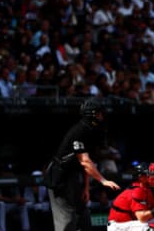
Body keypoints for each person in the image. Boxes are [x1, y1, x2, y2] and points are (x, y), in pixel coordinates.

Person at [45, 97, 120, 231]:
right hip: (59, 175)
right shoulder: (80, 130)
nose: (102, 116)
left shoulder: (91, 131)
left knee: (83, 215)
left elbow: (87, 161)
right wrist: (102, 180)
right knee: (67, 219)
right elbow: (84, 161)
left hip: (73, 175)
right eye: (100, 113)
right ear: (93, 114)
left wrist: (86, 187)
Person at [107, 162, 154, 231]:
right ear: (141, 177)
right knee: (152, 227)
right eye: (151, 174)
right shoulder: (137, 190)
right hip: (117, 226)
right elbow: (142, 217)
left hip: (131, 223)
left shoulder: (148, 190)